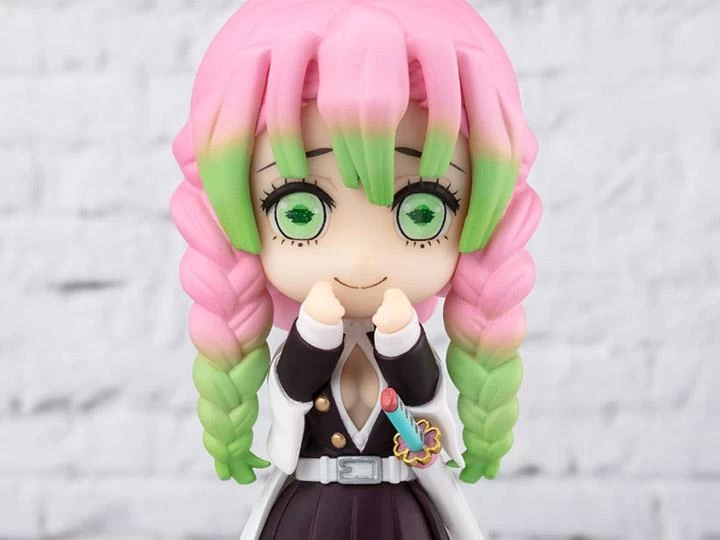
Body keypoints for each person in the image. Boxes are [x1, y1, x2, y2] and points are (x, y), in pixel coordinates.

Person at [170, 1, 542, 538]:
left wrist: (402, 340)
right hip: (310, 511)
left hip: (400, 511)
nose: (361, 260)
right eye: (299, 212)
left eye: (422, 212)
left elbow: (425, 398)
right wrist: (314, 335)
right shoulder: (306, 344)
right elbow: (290, 391)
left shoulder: (405, 344)